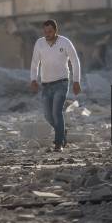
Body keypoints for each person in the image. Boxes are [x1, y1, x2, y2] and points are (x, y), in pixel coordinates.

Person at [30, 19, 81, 152]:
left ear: (55, 31)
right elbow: (35, 63)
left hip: (62, 82)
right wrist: (33, 79)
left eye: (50, 31)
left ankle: (58, 144)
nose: (47, 34)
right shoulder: (39, 43)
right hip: (46, 85)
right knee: (48, 115)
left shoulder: (65, 42)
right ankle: (62, 131)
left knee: (56, 112)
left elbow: (75, 61)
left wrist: (76, 81)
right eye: (45, 31)